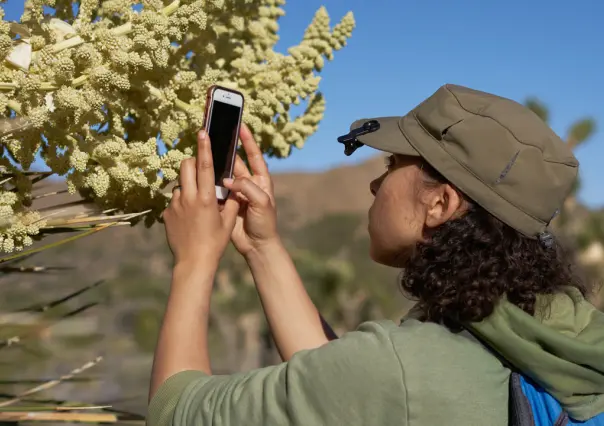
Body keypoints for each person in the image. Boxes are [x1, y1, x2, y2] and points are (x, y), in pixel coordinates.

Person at [147, 84, 604, 426]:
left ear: (439, 204)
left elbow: (174, 412)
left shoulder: (403, 369)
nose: (373, 184)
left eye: (391, 166)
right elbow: (344, 386)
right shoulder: (562, 331)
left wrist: (194, 261)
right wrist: (262, 248)